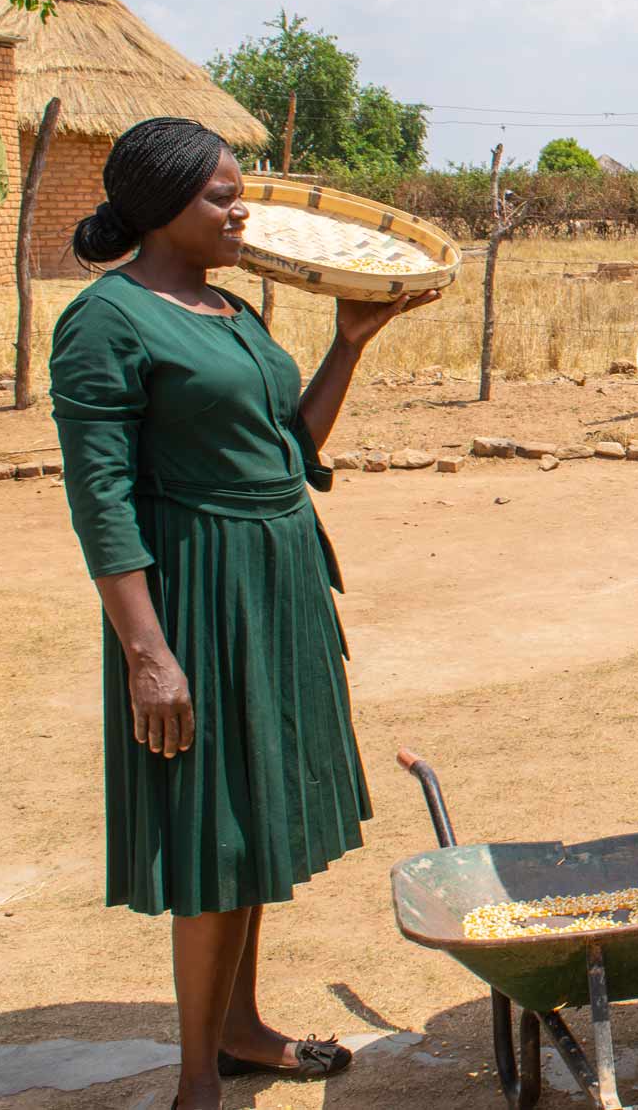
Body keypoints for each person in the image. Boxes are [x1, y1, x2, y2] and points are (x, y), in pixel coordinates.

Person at [49, 118, 436, 1110]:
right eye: (222, 195)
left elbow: (290, 449)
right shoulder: (107, 321)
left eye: (238, 191)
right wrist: (148, 652)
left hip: (275, 584)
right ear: (162, 205)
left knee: (254, 816)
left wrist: (346, 345)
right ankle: (193, 1085)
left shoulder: (231, 310)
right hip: (193, 594)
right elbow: (101, 498)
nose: (241, 210)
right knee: (210, 832)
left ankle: (240, 1027)